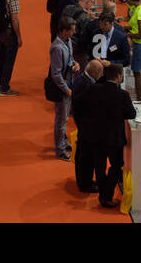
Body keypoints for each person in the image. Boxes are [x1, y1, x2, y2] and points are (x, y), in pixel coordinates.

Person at [77, 61, 136, 207]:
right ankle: (106, 195)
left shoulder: (93, 89)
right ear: (118, 76)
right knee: (116, 166)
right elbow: (131, 114)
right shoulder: (122, 95)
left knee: (99, 167)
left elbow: (79, 103)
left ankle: (103, 195)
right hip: (114, 139)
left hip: (95, 136)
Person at [70, 59, 105, 192]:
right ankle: (85, 183)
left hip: (83, 123)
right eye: (101, 73)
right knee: (86, 156)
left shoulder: (81, 79)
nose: (102, 76)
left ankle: (84, 180)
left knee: (83, 154)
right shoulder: (87, 85)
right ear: (95, 73)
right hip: (86, 125)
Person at [49, 16, 80, 159]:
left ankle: (63, 141)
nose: (74, 33)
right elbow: (56, 74)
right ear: (63, 30)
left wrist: (75, 64)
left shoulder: (68, 41)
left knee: (65, 118)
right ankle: (60, 149)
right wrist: (66, 90)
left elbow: (70, 59)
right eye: (72, 30)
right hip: (62, 89)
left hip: (69, 84)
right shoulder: (57, 48)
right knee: (61, 120)